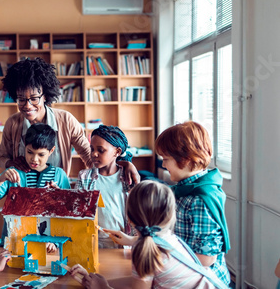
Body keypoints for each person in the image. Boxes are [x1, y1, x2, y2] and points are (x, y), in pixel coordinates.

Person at [108, 121, 231, 286]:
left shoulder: (199, 199)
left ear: (186, 160)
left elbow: (205, 259)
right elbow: (168, 238)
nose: (164, 165)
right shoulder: (184, 189)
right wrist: (135, 241)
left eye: (166, 159)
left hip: (200, 281)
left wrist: (151, 256)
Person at [0, 57, 139, 184]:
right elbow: (1, 157)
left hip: (57, 194)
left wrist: (123, 164)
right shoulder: (12, 123)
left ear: (45, 96)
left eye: (34, 98)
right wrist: (11, 163)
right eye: (21, 99)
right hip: (22, 197)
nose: (27, 105)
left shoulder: (66, 120)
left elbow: (89, 156)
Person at [69, 180, 229, 289]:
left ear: (129, 219)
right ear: (170, 216)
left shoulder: (144, 251)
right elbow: (138, 281)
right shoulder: (167, 240)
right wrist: (100, 281)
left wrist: (103, 288)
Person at [0, 123, 69, 252]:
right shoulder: (13, 172)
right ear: (24, 146)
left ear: (51, 151)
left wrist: (55, 242)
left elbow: (67, 213)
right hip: (15, 243)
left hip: (48, 246)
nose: (34, 159)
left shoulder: (59, 175)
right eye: (30, 152)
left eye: (41, 155)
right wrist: (0, 179)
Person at [74, 125, 135, 248]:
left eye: (101, 150)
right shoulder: (84, 177)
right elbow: (77, 211)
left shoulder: (128, 178)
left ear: (117, 152)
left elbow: (136, 215)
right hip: (92, 245)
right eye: (92, 149)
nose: (94, 154)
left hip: (122, 245)